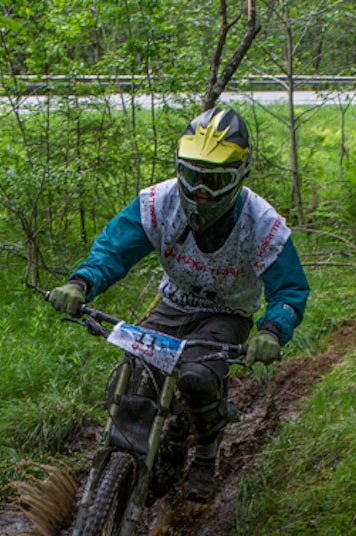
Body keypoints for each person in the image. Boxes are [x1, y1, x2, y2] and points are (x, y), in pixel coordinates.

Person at [48, 106, 310, 503]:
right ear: (178, 168)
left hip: (227, 314)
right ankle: (124, 457)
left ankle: (205, 456)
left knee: (198, 379)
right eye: (191, 175)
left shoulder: (262, 223)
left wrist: (272, 330)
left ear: (239, 177)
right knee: (137, 371)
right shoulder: (158, 202)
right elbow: (114, 251)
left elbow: (289, 289)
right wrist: (80, 282)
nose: (201, 191)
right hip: (171, 304)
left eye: (214, 180)